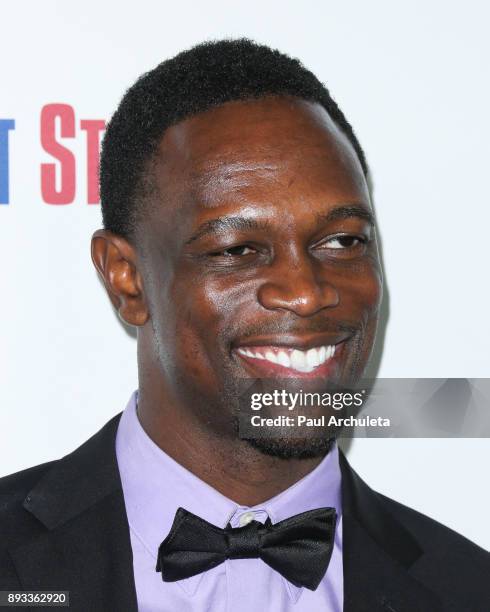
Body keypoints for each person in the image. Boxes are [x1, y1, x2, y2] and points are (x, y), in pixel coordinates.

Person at [0, 39, 488, 612]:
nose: (306, 293)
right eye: (237, 249)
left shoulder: (468, 589)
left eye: (342, 241)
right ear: (126, 279)